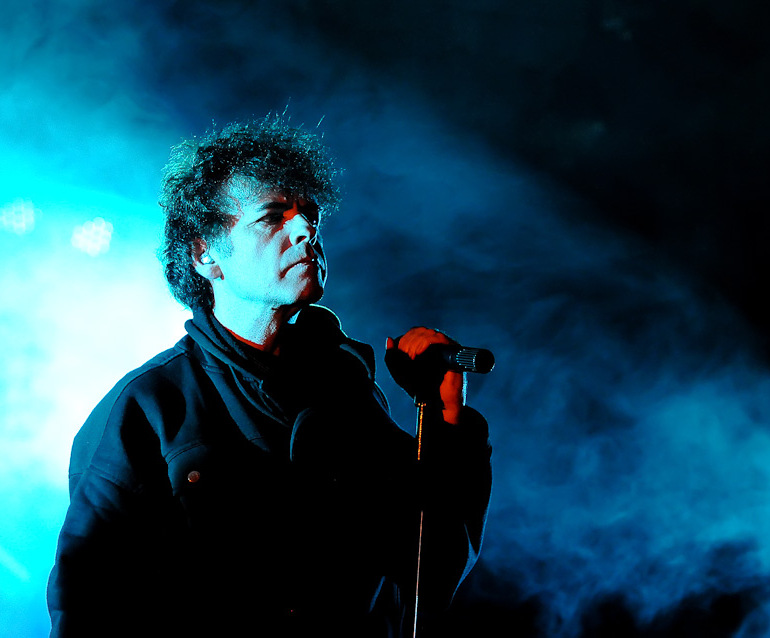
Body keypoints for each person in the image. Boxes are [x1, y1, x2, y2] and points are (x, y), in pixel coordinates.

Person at [46, 115, 492, 637]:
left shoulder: (349, 396)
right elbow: (89, 606)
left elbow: (431, 575)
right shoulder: (150, 406)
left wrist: (445, 423)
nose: (305, 230)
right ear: (205, 253)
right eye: (272, 217)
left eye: (310, 215)